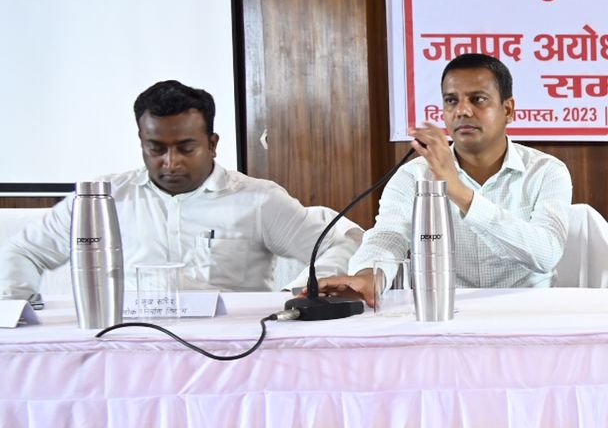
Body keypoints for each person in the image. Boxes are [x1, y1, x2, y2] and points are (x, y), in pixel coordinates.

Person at [0, 79, 359, 299]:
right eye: (156, 149)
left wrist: (301, 292)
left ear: (212, 144)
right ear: (141, 142)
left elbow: (342, 243)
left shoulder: (259, 200)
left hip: (235, 351)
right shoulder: (103, 200)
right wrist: (17, 305)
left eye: (186, 148)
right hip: (129, 349)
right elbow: (24, 251)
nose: (170, 162)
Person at [317, 53, 572, 307]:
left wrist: (459, 191)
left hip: (527, 312)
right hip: (442, 310)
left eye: (478, 99)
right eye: (451, 101)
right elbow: (390, 235)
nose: (462, 111)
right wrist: (369, 276)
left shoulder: (546, 171)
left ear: (508, 110)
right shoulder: (414, 175)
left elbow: (546, 253)